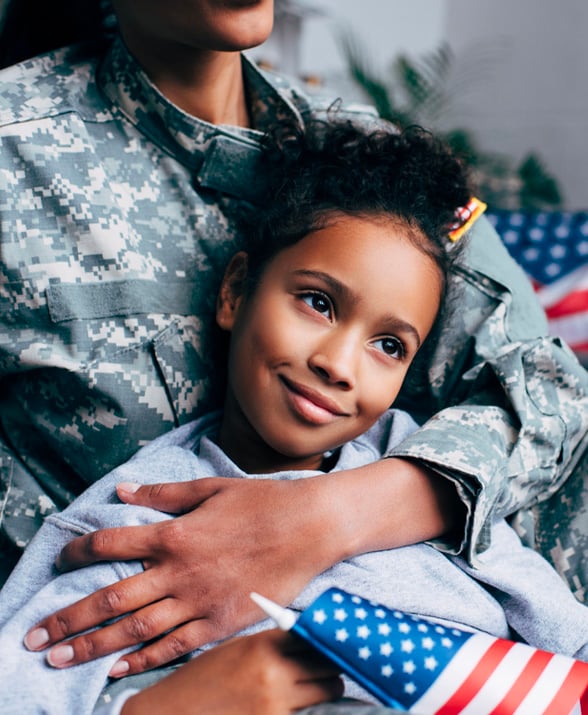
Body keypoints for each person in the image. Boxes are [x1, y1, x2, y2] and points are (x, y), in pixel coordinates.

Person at [0, 0, 587, 684]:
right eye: (316, 303)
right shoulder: (16, 159)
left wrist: (333, 515)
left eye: (388, 346)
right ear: (235, 291)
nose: (338, 362)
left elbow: (547, 388)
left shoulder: (375, 167)